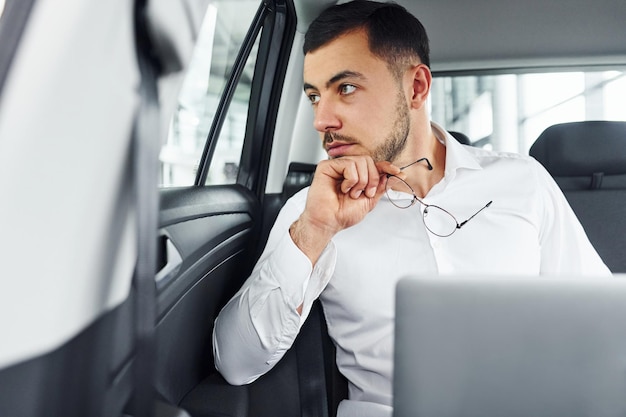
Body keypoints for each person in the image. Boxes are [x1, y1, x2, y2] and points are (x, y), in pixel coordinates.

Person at [212, 1, 611, 416]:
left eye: (345, 88)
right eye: (314, 96)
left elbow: (602, 327)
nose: (321, 119)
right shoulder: (312, 210)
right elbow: (236, 364)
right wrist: (314, 230)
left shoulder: (524, 182)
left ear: (416, 88)